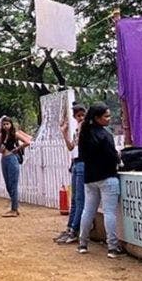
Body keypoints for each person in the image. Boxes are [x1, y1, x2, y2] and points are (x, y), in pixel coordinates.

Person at [76, 104, 125, 258]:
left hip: (90, 178)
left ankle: (82, 243)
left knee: (88, 211)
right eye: (106, 116)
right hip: (107, 177)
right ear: (97, 118)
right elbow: (113, 156)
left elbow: (82, 157)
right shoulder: (106, 135)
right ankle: (112, 247)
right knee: (109, 212)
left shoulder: (84, 134)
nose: (109, 119)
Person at [55, 104, 87, 243]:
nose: (80, 118)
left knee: (79, 199)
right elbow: (71, 147)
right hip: (75, 162)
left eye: (82, 115)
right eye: (78, 116)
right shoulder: (77, 129)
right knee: (74, 199)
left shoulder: (86, 129)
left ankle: (75, 230)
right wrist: (64, 133)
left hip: (82, 162)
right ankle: (70, 228)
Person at [0, 115, 31, 217]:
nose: (5, 126)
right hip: (4, 159)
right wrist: (2, 147)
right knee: (8, 185)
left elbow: (27, 142)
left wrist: (18, 148)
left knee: (13, 184)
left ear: (11, 125)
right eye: (4, 124)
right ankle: (14, 205)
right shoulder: (2, 137)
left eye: (7, 124)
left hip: (12, 158)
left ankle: (14, 209)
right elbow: (0, 149)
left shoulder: (15, 134)